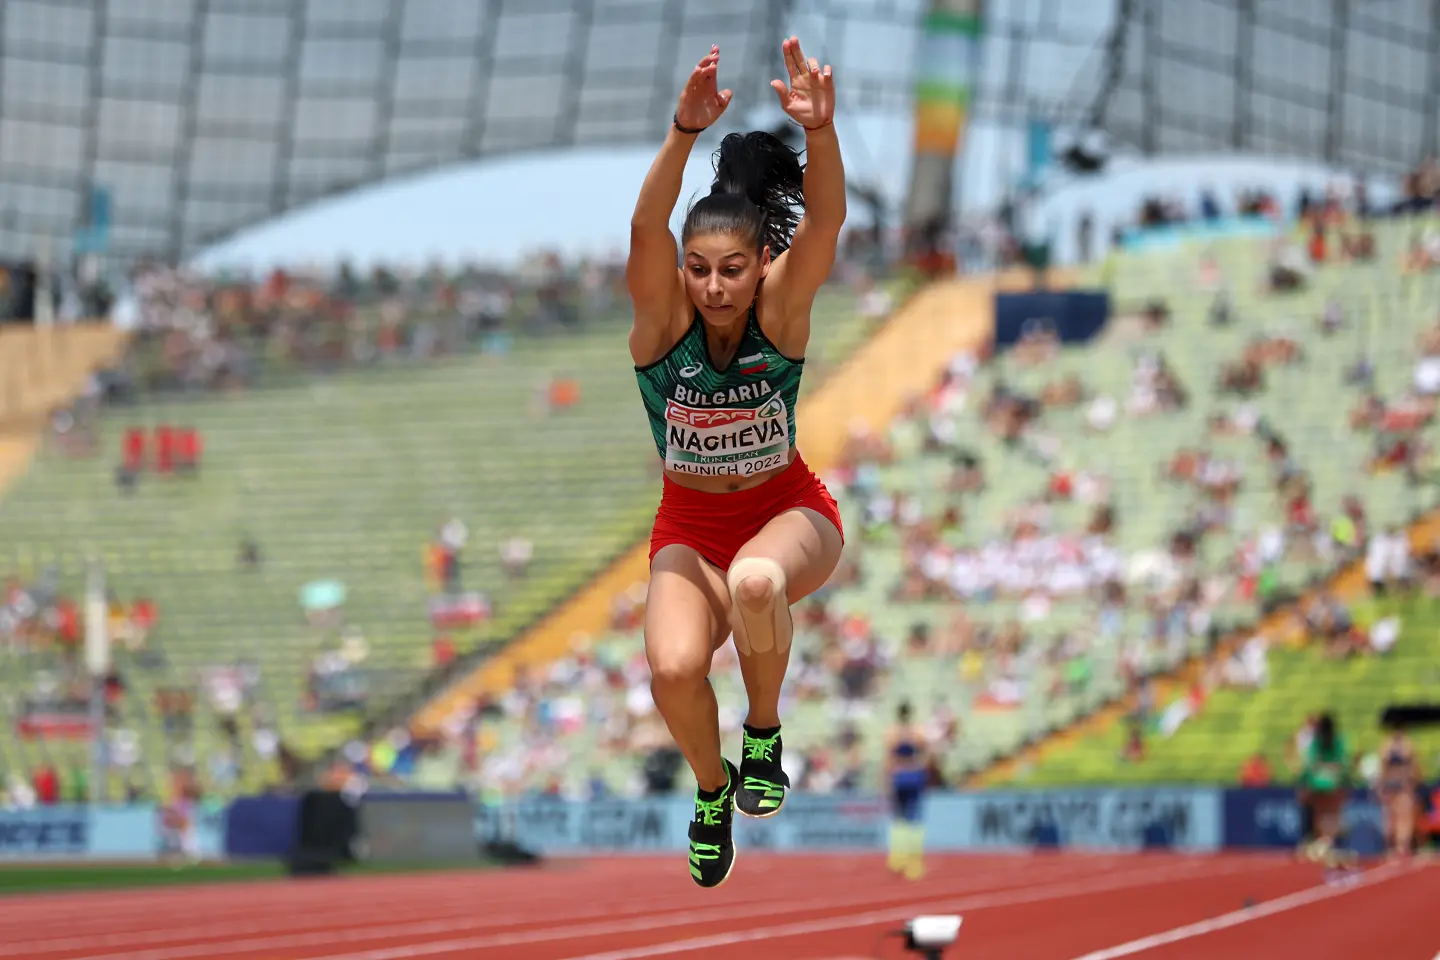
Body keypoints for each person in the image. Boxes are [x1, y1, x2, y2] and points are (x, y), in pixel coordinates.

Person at [627, 36, 846, 888]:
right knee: (674, 669)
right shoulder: (660, 332)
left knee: (758, 581)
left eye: (731, 271)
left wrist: (820, 135)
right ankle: (712, 793)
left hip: (787, 516)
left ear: (760, 271)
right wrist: (683, 132)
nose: (714, 287)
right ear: (682, 273)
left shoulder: (781, 319)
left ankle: (763, 736)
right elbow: (647, 226)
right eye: (698, 270)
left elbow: (824, 223)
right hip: (688, 525)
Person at [1299, 712, 1352, 866]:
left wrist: (1306, 783)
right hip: (1333, 783)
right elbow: (1343, 764)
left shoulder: (1316, 742)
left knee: (1320, 816)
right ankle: (1326, 844)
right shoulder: (1338, 741)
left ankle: (1322, 845)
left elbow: (1310, 764)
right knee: (1333, 816)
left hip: (1317, 784)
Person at [885, 702, 929, 880]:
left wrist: (887, 779)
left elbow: (888, 758)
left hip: (900, 775)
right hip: (914, 775)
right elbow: (926, 753)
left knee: (899, 818)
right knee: (914, 818)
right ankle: (913, 861)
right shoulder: (917, 731)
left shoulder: (892, 732)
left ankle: (898, 858)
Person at [1375, 724, 1419, 859]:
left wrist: (1411, 783)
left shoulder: (1408, 744)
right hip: (1390, 784)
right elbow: (1382, 767)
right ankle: (1392, 846)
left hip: (1403, 784)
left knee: (1404, 815)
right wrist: (1381, 785)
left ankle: (1402, 846)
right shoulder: (1386, 745)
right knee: (1390, 816)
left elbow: (1414, 765)